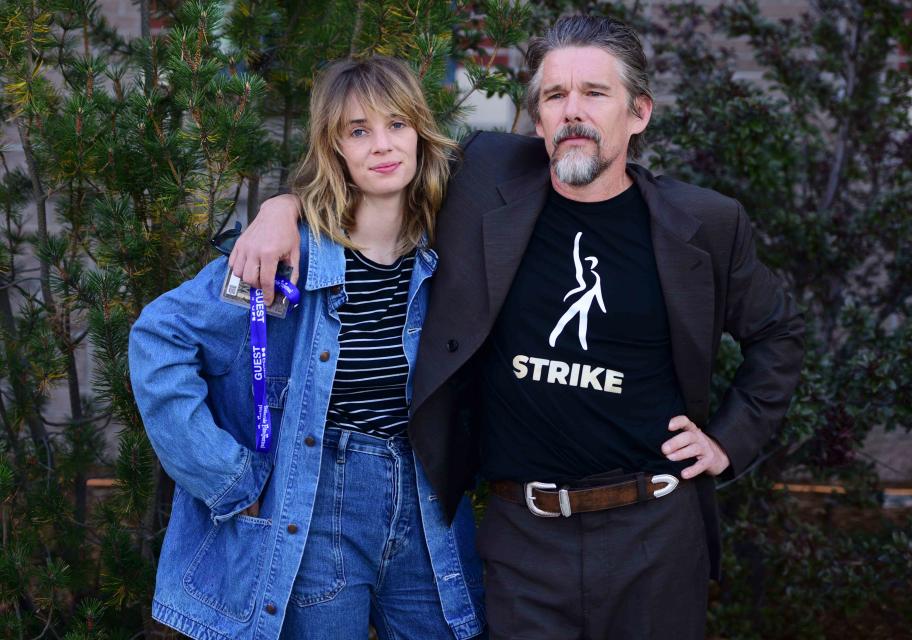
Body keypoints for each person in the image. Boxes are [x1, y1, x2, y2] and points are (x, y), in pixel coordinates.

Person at [232, 15, 805, 640]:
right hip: (522, 541)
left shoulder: (705, 224)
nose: (572, 112)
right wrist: (281, 208)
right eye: (554, 96)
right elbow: (377, 167)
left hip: (655, 536)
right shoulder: (485, 180)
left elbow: (777, 334)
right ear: (537, 119)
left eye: (594, 93)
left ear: (639, 112)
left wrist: (728, 439)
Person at [128, 56, 485, 640]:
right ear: (335, 148)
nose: (382, 146)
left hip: (428, 503)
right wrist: (226, 477)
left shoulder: (450, 246)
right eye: (358, 131)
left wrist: (280, 202)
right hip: (319, 504)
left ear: (421, 131)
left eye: (397, 124)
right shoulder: (283, 257)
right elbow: (159, 337)